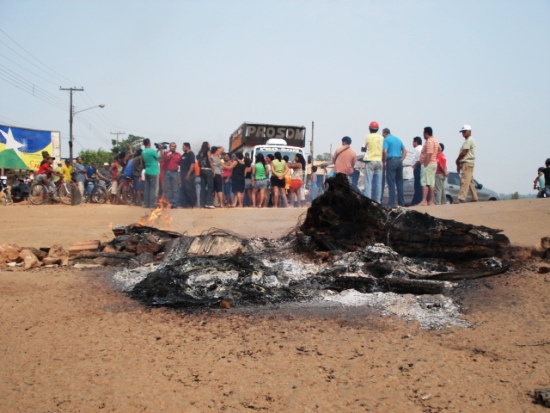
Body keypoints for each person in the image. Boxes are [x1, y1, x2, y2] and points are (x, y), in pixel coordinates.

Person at [382, 128, 407, 207]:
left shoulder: (386, 140)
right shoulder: (398, 139)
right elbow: (405, 150)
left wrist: (384, 161)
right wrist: (402, 159)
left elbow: (385, 151)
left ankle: (392, 203)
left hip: (391, 161)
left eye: (383, 134)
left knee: (391, 182)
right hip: (399, 161)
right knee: (399, 182)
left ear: (385, 133)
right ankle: (401, 202)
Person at [455, 125, 478, 203]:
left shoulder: (469, 140)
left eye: (465, 131)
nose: (463, 133)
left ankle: (461, 198)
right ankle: (475, 197)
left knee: (465, 180)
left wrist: (457, 160)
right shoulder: (468, 140)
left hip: (467, 163)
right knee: (470, 181)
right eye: (462, 132)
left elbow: (464, 152)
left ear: (469, 131)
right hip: (469, 163)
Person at [363, 121, 384, 203]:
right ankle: (377, 201)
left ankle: (367, 202)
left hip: (370, 160)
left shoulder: (368, 137)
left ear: (369, 129)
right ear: (378, 129)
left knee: (368, 182)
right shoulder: (382, 138)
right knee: (378, 183)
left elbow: (364, 148)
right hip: (379, 161)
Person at [419, 126, 441, 206]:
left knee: (425, 182)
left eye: (423, 133)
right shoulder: (435, 140)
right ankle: (431, 201)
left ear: (426, 133)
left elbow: (429, 152)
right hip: (433, 163)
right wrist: (434, 156)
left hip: (428, 164)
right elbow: (440, 149)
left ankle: (424, 201)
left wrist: (426, 163)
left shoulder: (429, 141)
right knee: (431, 183)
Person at [161, 142, 181, 208]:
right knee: (168, 189)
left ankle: (175, 203)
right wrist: (167, 156)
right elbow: (162, 160)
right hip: (167, 172)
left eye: (174, 146)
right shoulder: (166, 153)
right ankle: (168, 203)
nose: (173, 147)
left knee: (175, 188)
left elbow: (180, 163)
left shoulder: (178, 154)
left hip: (174, 172)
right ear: (169, 147)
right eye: (172, 146)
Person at [141, 138, 160, 208]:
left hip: (147, 171)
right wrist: (160, 149)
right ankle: (152, 204)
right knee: (153, 189)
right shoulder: (152, 151)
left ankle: (146, 203)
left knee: (147, 189)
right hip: (154, 172)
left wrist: (157, 150)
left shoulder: (143, 152)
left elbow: (152, 156)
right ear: (149, 143)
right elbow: (159, 158)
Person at [197, 141, 215, 209]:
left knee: (202, 187)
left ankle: (202, 203)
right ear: (207, 145)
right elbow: (210, 160)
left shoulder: (200, 152)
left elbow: (199, 161)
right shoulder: (208, 151)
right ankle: (209, 203)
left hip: (202, 170)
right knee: (210, 187)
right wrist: (213, 170)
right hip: (208, 169)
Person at [179, 142, 196, 208]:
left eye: (183, 147)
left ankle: (191, 204)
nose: (182, 148)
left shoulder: (191, 154)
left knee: (189, 189)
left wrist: (188, 174)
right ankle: (184, 204)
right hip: (182, 174)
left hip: (189, 175)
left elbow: (192, 164)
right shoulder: (183, 155)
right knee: (183, 189)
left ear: (187, 147)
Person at [410, 136, 423, 205]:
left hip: (418, 168)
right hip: (419, 167)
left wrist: (415, 165)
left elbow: (420, 160)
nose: (412, 143)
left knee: (417, 185)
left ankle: (416, 201)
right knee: (419, 185)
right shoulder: (422, 148)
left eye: (413, 142)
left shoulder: (417, 149)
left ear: (416, 142)